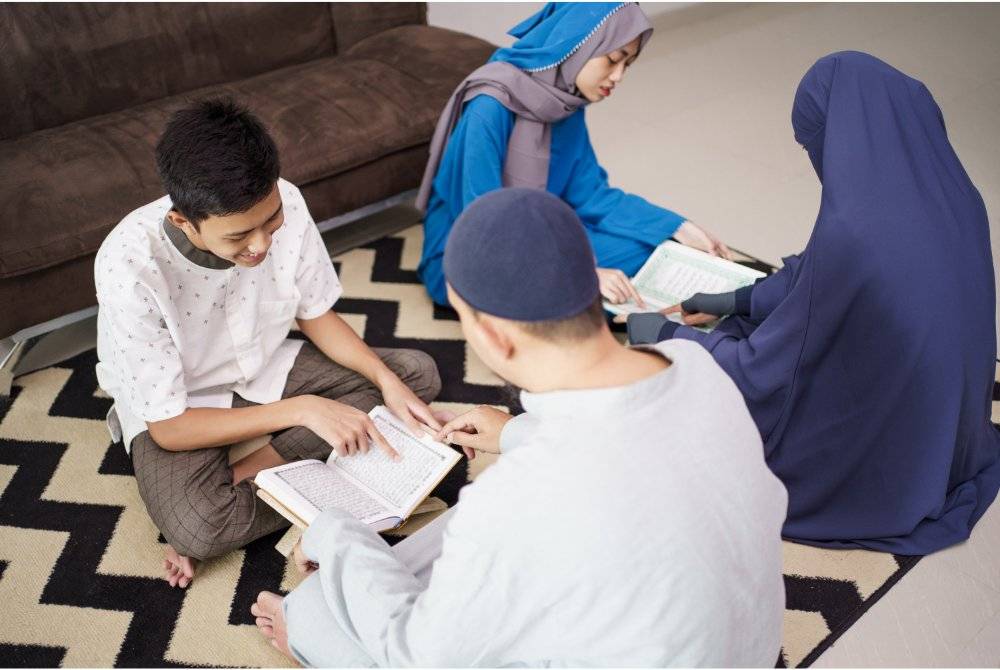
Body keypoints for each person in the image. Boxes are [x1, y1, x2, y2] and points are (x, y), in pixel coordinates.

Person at [252, 188, 787, 667]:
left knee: (319, 615)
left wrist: (333, 531)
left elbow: (421, 655)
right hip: (744, 649)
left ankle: (309, 629)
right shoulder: (693, 365)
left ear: (495, 336)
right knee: (454, 546)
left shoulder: (518, 496)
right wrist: (512, 431)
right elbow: (625, 451)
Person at [629, 51, 1000, 555]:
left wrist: (665, 334)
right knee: (740, 323)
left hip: (887, 457)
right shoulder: (955, 194)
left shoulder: (856, 232)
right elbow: (820, 277)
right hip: (952, 434)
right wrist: (734, 298)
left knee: (694, 402)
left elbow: (767, 374)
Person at [94, 99, 443, 588]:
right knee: (199, 526)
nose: (260, 245)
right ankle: (315, 468)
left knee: (414, 375)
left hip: (264, 361)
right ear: (183, 223)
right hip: (182, 404)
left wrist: (385, 380)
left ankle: (255, 470)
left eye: (271, 222)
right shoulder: (127, 268)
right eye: (239, 237)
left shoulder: (287, 200)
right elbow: (171, 429)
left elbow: (316, 314)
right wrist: (303, 410)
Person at [415, 1, 732, 310]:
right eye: (613, 60)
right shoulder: (488, 108)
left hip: (539, 232)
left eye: (627, 65)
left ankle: (578, 296)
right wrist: (582, 272)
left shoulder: (564, 102)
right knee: (575, 281)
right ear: (579, 47)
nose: (618, 76)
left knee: (657, 246)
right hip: (474, 253)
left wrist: (678, 227)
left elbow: (591, 195)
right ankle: (575, 298)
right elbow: (481, 222)